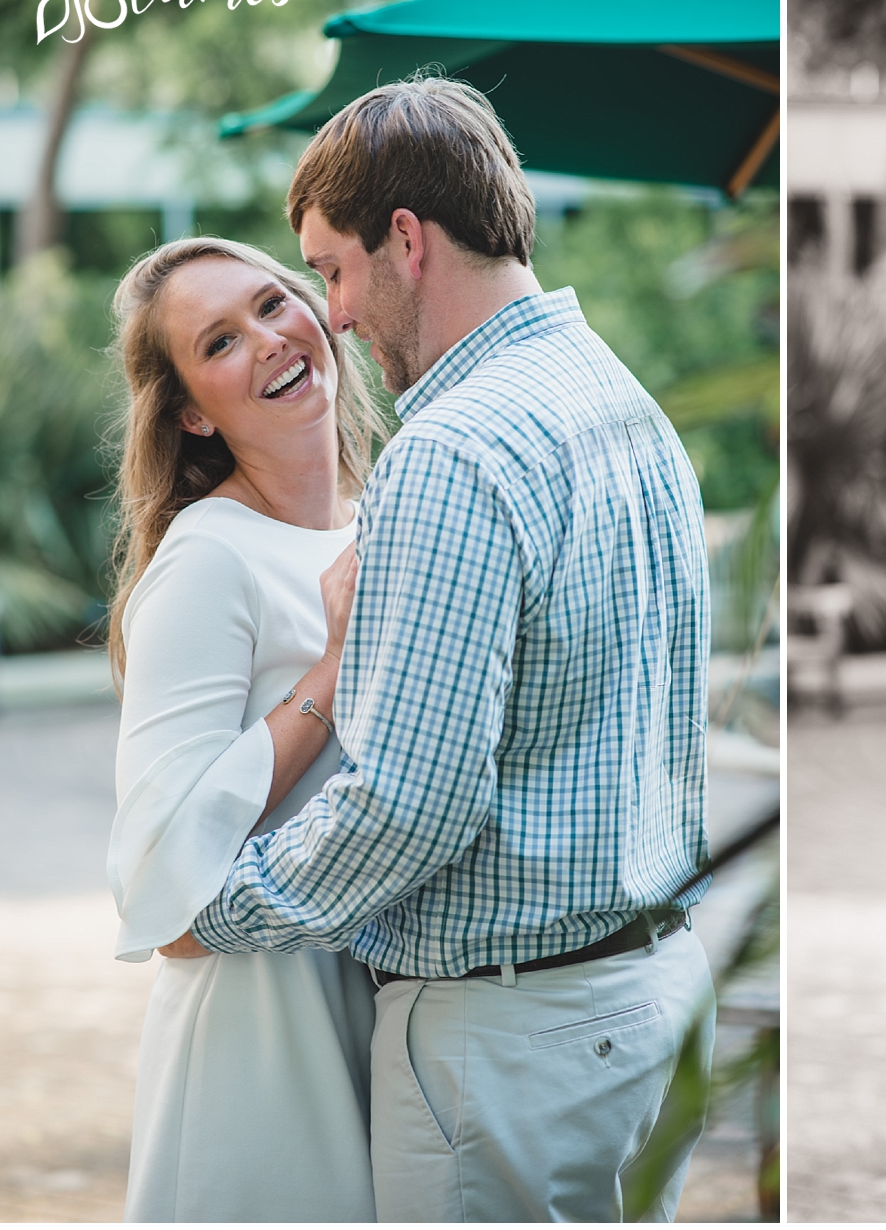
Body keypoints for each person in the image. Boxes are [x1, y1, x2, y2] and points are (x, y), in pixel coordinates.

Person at [157, 77, 717, 1223]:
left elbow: (412, 801)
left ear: (405, 240)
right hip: (646, 994)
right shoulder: (621, 399)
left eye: (329, 270)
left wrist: (216, 909)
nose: (335, 314)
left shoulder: (452, 451)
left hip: (509, 1044)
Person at [105, 235, 387, 1221]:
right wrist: (334, 669)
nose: (268, 340)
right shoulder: (207, 562)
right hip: (260, 1045)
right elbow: (156, 884)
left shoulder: (385, 512)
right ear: (191, 413)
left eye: (272, 305)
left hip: (391, 1015)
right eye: (220, 342)